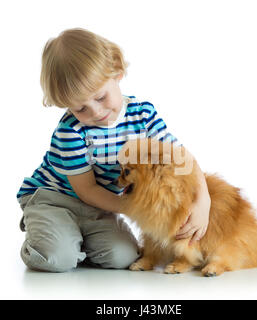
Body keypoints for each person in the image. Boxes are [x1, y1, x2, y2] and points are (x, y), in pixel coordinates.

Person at [16, 28, 211, 272]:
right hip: (54, 199)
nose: (95, 113)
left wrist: (203, 201)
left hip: (99, 207)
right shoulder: (71, 131)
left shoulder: (143, 114)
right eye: (80, 109)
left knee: (122, 257)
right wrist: (139, 208)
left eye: (100, 98)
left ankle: (75, 239)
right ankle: (46, 232)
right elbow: (87, 190)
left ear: (117, 73)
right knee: (56, 259)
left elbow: (183, 159)